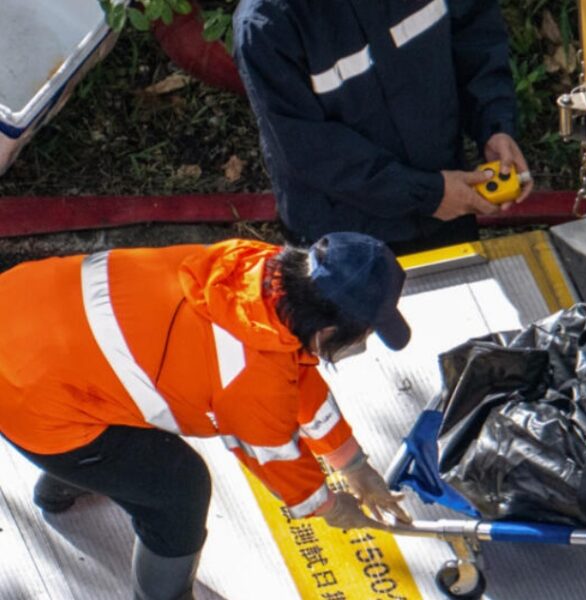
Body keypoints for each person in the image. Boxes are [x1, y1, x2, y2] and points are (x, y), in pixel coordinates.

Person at [0, 232, 413, 599]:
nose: (365, 341)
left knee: (116, 421)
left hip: (21, 305)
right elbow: (276, 458)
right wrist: (327, 507)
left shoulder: (261, 272)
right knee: (180, 488)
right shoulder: (250, 378)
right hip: (24, 394)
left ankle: (60, 491)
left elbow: (297, 375)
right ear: (326, 332)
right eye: (365, 333)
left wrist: (352, 464)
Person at [233, 0, 534, 254]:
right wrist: (428, 195)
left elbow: (473, 34)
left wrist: (495, 125)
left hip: (445, 208)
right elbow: (309, 150)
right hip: (346, 247)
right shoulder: (266, 26)